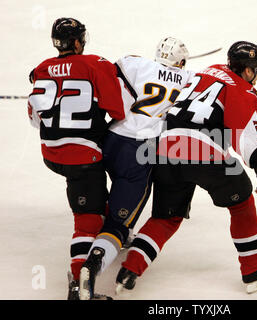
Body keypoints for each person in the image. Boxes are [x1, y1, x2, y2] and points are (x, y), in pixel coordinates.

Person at [114, 41, 257, 295]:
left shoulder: (207, 70)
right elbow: (245, 136)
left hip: (166, 148)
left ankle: (129, 271)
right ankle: (252, 272)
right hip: (205, 152)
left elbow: (209, 98)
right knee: (242, 203)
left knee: (165, 218)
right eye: (256, 70)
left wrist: (254, 101)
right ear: (247, 71)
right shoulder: (244, 92)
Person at [78, 37, 194, 300]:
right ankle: (93, 263)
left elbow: (106, 72)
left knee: (104, 201)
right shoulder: (189, 78)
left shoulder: (135, 64)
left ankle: (108, 228)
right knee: (118, 223)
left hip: (110, 139)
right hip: (140, 151)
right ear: (182, 61)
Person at [27, 17, 127, 299]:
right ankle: (78, 288)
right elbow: (117, 111)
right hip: (81, 155)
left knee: (90, 192)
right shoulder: (95, 63)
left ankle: (107, 223)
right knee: (87, 218)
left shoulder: (41, 69)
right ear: (77, 41)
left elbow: (36, 119)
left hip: (51, 152)